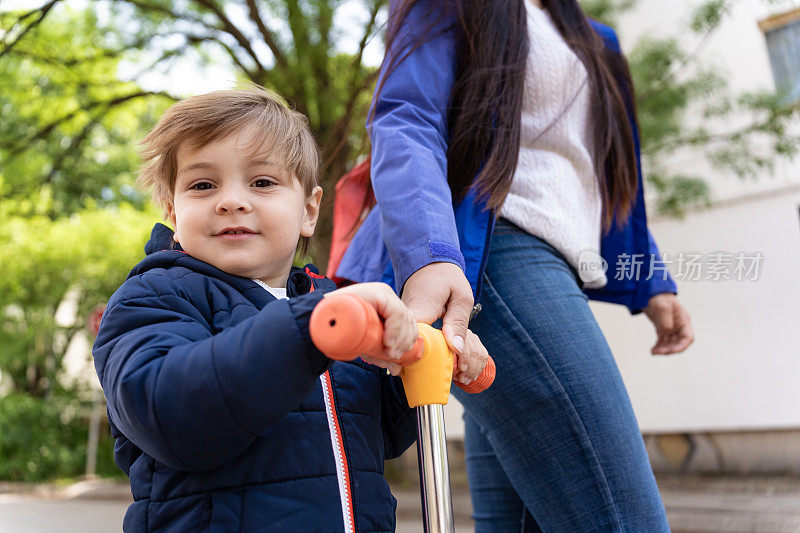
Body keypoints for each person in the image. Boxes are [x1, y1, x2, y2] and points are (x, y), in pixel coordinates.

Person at [336, 0, 695, 530]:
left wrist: (650, 280)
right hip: (492, 258)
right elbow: (407, 117)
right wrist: (428, 255)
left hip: (556, 263)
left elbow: (614, 175)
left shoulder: (597, 41)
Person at [92, 87, 488, 532]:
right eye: (203, 185)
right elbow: (169, 413)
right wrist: (310, 330)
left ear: (309, 211)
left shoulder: (328, 303)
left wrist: (418, 364)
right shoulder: (153, 298)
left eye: (262, 182)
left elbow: (374, 432)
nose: (231, 201)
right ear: (172, 211)